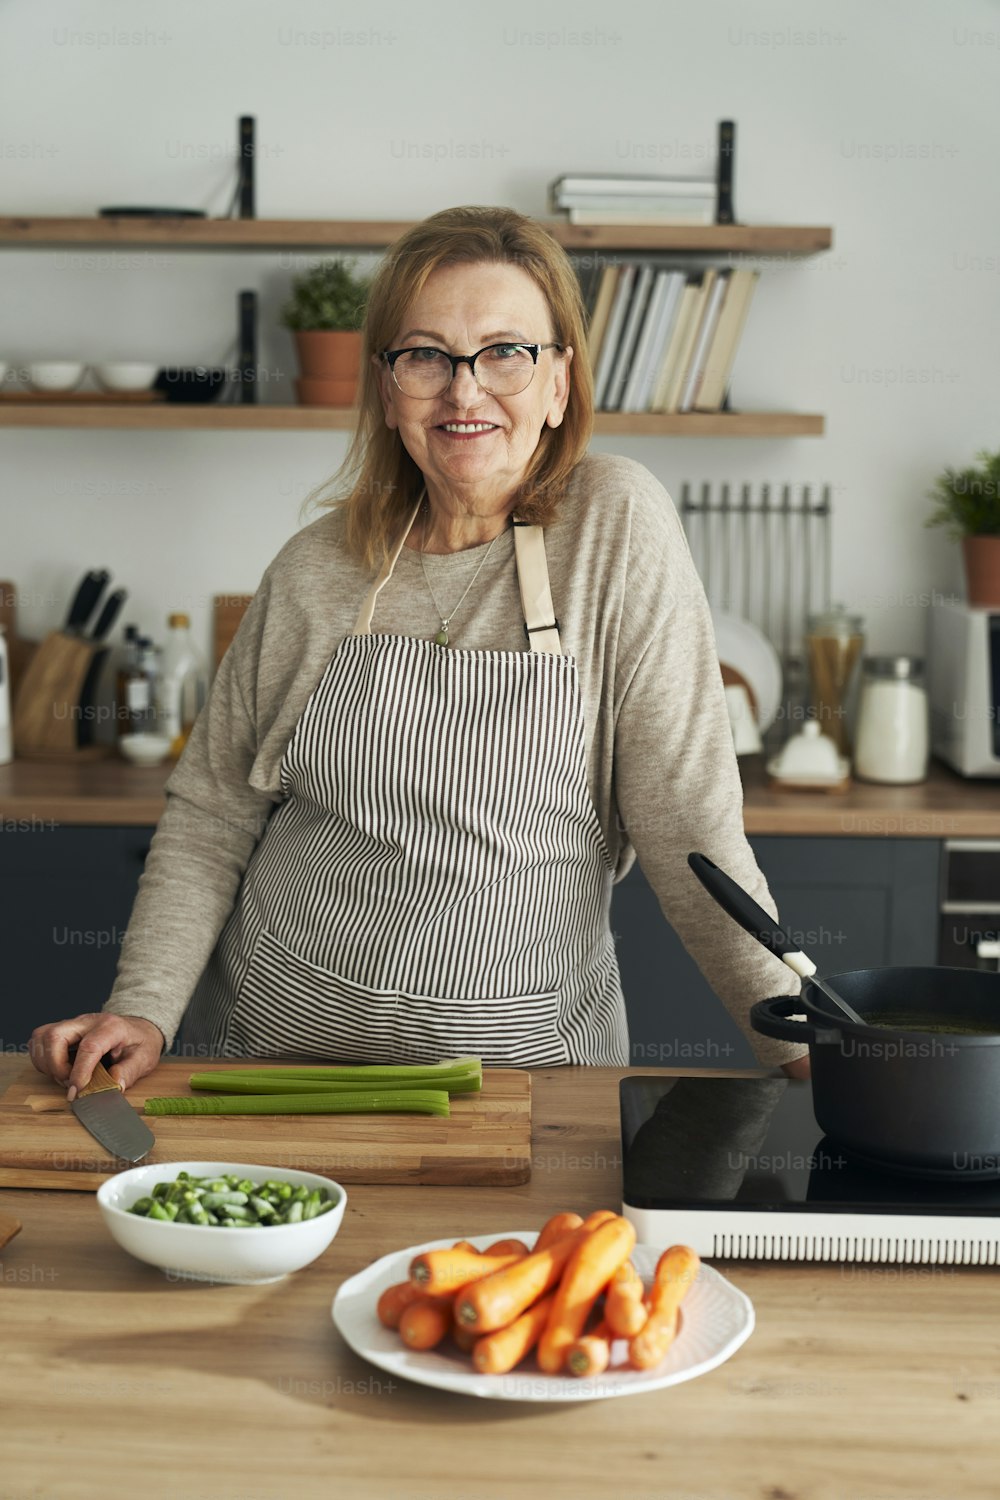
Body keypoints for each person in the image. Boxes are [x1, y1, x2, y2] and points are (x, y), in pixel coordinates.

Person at [29, 205, 809, 1097]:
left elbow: (689, 830)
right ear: (388, 388)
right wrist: (144, 1007)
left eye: (505, 352)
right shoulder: (317, 566)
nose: (464, 391)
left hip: (527, 1079)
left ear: (560, 383)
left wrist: (796, 1045)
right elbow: (212, 816)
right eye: (427, 355)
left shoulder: (615, 525)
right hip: (271, 1065)